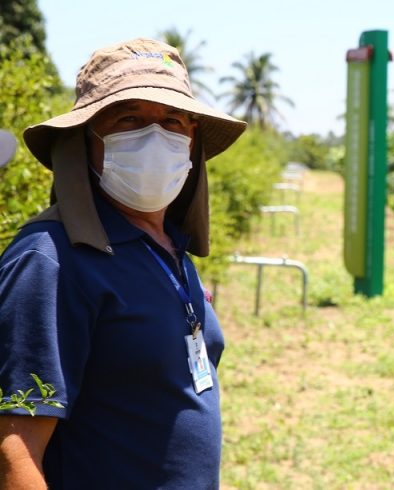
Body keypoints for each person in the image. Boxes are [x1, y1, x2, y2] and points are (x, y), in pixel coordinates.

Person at [0, 38, 246, 489]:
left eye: (172, 121)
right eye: (129, 119)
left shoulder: (168, 246)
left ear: (192, 140)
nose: (156, 136)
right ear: (85, 139)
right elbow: (13, 452)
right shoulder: (51, 258)